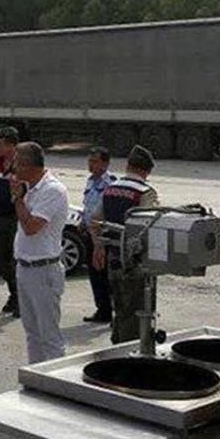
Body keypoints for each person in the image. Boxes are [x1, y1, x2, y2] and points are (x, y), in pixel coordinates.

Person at [90, 145, 158, 344]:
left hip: (113, 259)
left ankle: (116, 347)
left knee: (119, 309)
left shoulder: (111, 189)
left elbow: (94, 221)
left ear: (128, 165)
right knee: (137, 313)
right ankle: (128, 356)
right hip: (135, 264)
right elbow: (149, 229)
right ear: (146, 171)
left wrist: (98, 247)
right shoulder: (145, 192)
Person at [12, 142, 69, 364]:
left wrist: (17, 199)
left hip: (43, 269)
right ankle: (36, 383)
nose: (13, 166)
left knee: (49, 336)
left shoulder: (52, 190)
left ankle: (57, 386)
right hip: (25, 267)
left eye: (17, 161)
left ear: (27, 164)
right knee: (32, 334)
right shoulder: (29, 188)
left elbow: (31, 227)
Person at [80, 146, 115, 323]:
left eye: (95, 161)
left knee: (105, 275)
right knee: (94, 274)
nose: (91, 164)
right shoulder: (90, 181)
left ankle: (111, 310)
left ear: (105, 164)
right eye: (90, 161)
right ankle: (102, 309)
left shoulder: (110, 185)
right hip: (88, 234)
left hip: (102, 236)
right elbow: (88, 206)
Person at [0, 126, 20, 317]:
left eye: (0, 144)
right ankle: (13, 292)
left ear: (11, 145)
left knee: (16, 259)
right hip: (1, 216)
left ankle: (20, 299)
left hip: (16, 216)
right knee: (1, 257)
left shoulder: (22, 163)